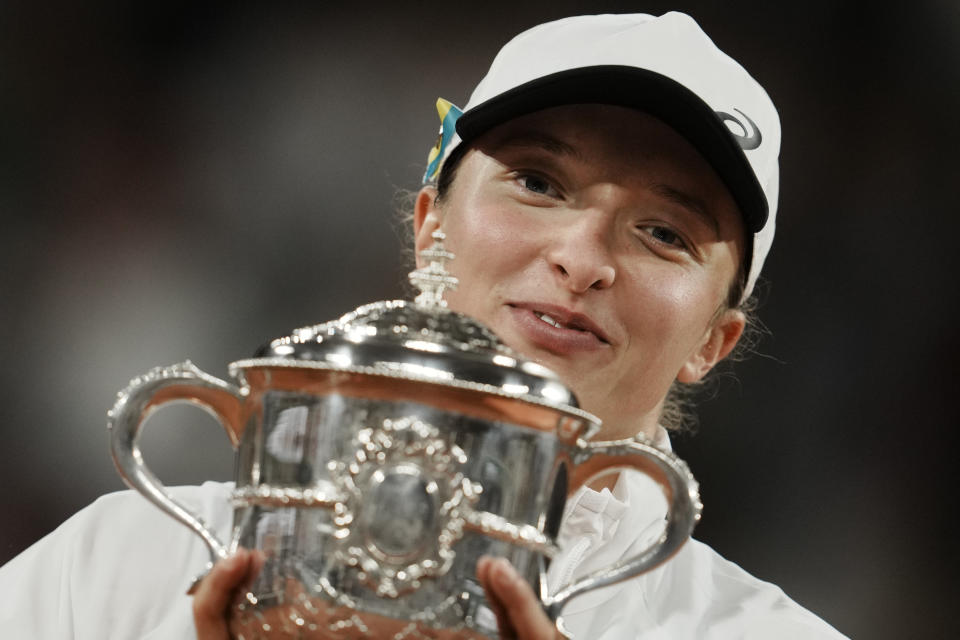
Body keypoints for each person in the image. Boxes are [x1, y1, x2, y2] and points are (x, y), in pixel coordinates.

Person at [0, 12, 847, 640]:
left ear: (712, 340)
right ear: (429, 225)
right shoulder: (114, 570)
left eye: (665, 232)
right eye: (539, 184)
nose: (583, 256)